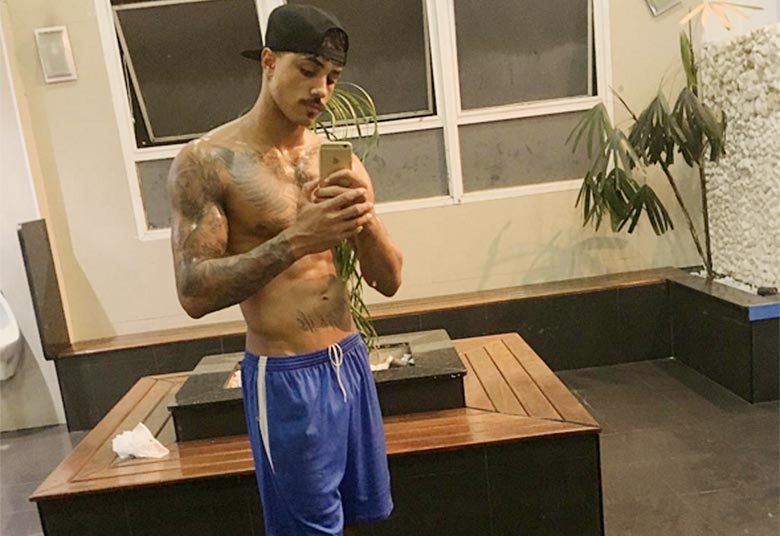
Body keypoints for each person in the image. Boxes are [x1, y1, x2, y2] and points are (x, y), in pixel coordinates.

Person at [167, 4, 402, 535]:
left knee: (366, 517)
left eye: (332, 77)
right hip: (286, 378)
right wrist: (297, 240)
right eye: (308, 70)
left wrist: (365, 219)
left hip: (350, 362)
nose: (322, 89)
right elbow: (192, 291)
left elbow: (388, 280)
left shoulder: (334, 158)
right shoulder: (208, 162)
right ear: (269, 61)